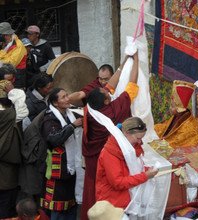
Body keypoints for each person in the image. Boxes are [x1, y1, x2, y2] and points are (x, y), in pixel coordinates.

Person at [81, 52, 138, 220]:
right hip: (108, 160)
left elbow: (110, 86)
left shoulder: (89, 109)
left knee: (94, 188)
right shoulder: (114, 110)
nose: (107, 90)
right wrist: (137, 60)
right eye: (106, 93)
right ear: (106, 101)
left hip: (93, 158)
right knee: (109, 191)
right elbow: (132, 85)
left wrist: (123, 63)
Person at [95, 117, 158, 208]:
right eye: (138, 138)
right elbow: (118, 183)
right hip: (113, 204)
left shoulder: (129, 146)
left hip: (125, 198)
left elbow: (133, 167)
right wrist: (145, 176)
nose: (140, 142)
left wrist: (147, 170)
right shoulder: (110, 153)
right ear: (126, 133)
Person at [40, 88, 83, 219]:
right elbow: (54, 139)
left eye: (67, 95)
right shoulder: (49, 119)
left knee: (71, 206)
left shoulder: (72, 113)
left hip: (71, 170)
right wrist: (72, 126)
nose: (67, 99)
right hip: (57, 172)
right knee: (57, 210)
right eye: (63, 97)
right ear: (55, 103)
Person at [154, 80, 198, 147]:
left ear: (178, 108)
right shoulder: (178, 115)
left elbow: (177, 141)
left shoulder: (191, 127)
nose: (170, 108)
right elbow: (166, 127)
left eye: (172, 105)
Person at [0, 80, 24, 218]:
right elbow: (23, 108)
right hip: (7, 174)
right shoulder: (10, 115)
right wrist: (13, 91)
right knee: (6, 208)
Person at [0, 22, 27, 88]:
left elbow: (11, 64)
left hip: (17, 78)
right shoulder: (6, 44)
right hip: (5, 76)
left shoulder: (18, 46)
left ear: (6, 35)